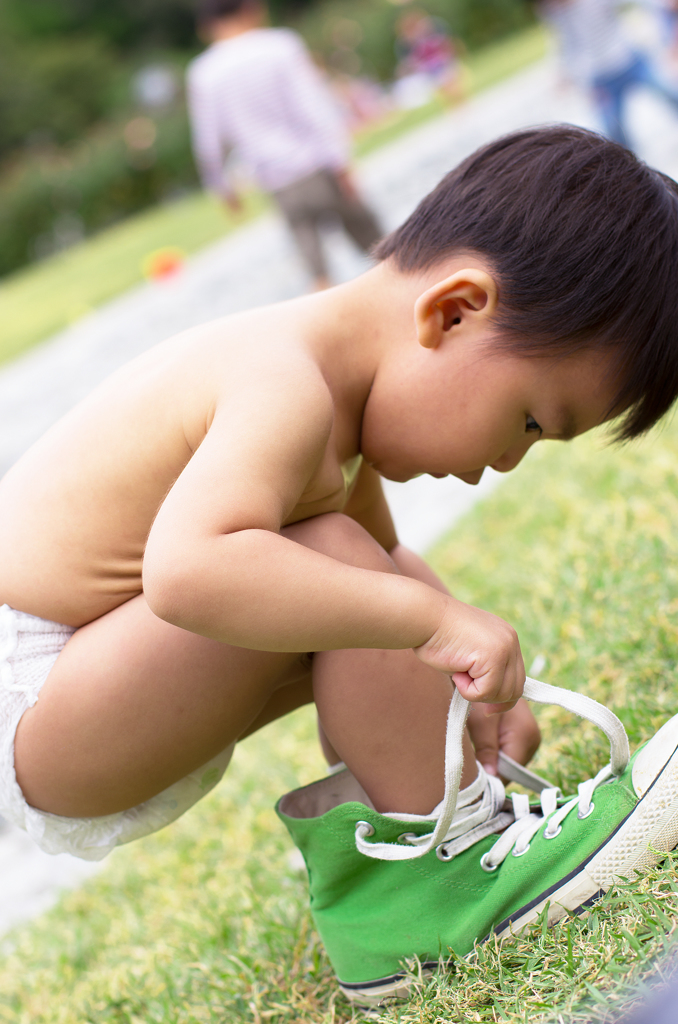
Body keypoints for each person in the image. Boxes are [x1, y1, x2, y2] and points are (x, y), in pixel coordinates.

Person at [1, 126, 678, 1001]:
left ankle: (418, 830)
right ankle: (424, 892)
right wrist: (433, 624)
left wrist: (465, 700)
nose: (508, 463)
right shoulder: (282, 381)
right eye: (530, 423)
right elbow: (190, 571)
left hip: (97, 678)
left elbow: (387, 564)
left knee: (357, 573)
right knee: (328, 562)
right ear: (454, 310)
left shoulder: (340, 398)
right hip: (36, 697)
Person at [186, 0, 382, 291]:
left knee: (317, 273)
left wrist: (222, 187)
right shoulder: (280, 45)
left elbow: (209, 141)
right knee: (379, 249)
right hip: (316, 167)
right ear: (249, 8)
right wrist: (342, 161)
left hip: (277, 183)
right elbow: (314, 108)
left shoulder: (203, 73)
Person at [537, 0, 678, 150]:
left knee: (670, 92)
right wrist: (564, 73)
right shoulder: (554, 12)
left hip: (628, 60)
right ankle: (628, 164)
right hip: (600, 78)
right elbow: (565, 43)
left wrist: (663, 4)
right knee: (611, 130)